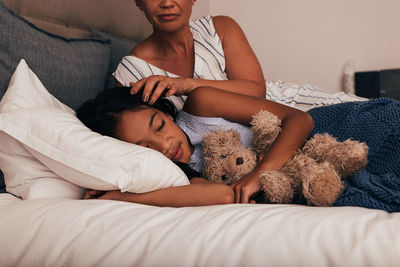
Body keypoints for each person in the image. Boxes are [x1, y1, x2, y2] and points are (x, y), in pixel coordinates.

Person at [77, 86, 400, 212]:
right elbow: (222, 196)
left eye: (159, 126)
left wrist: (261, 172)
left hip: (338, 129)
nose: (165, 145)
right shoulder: (176, 175)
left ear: (164, 111)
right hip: (313, 168)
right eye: (144, 147)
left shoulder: (201, 106)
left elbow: (298, 119)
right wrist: (121, 197)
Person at [113, 0, 266, 110]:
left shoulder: (220, 28)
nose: (167, 3)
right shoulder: (131, 72)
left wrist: (186, 85)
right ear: (139, 2)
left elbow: (257, 92)